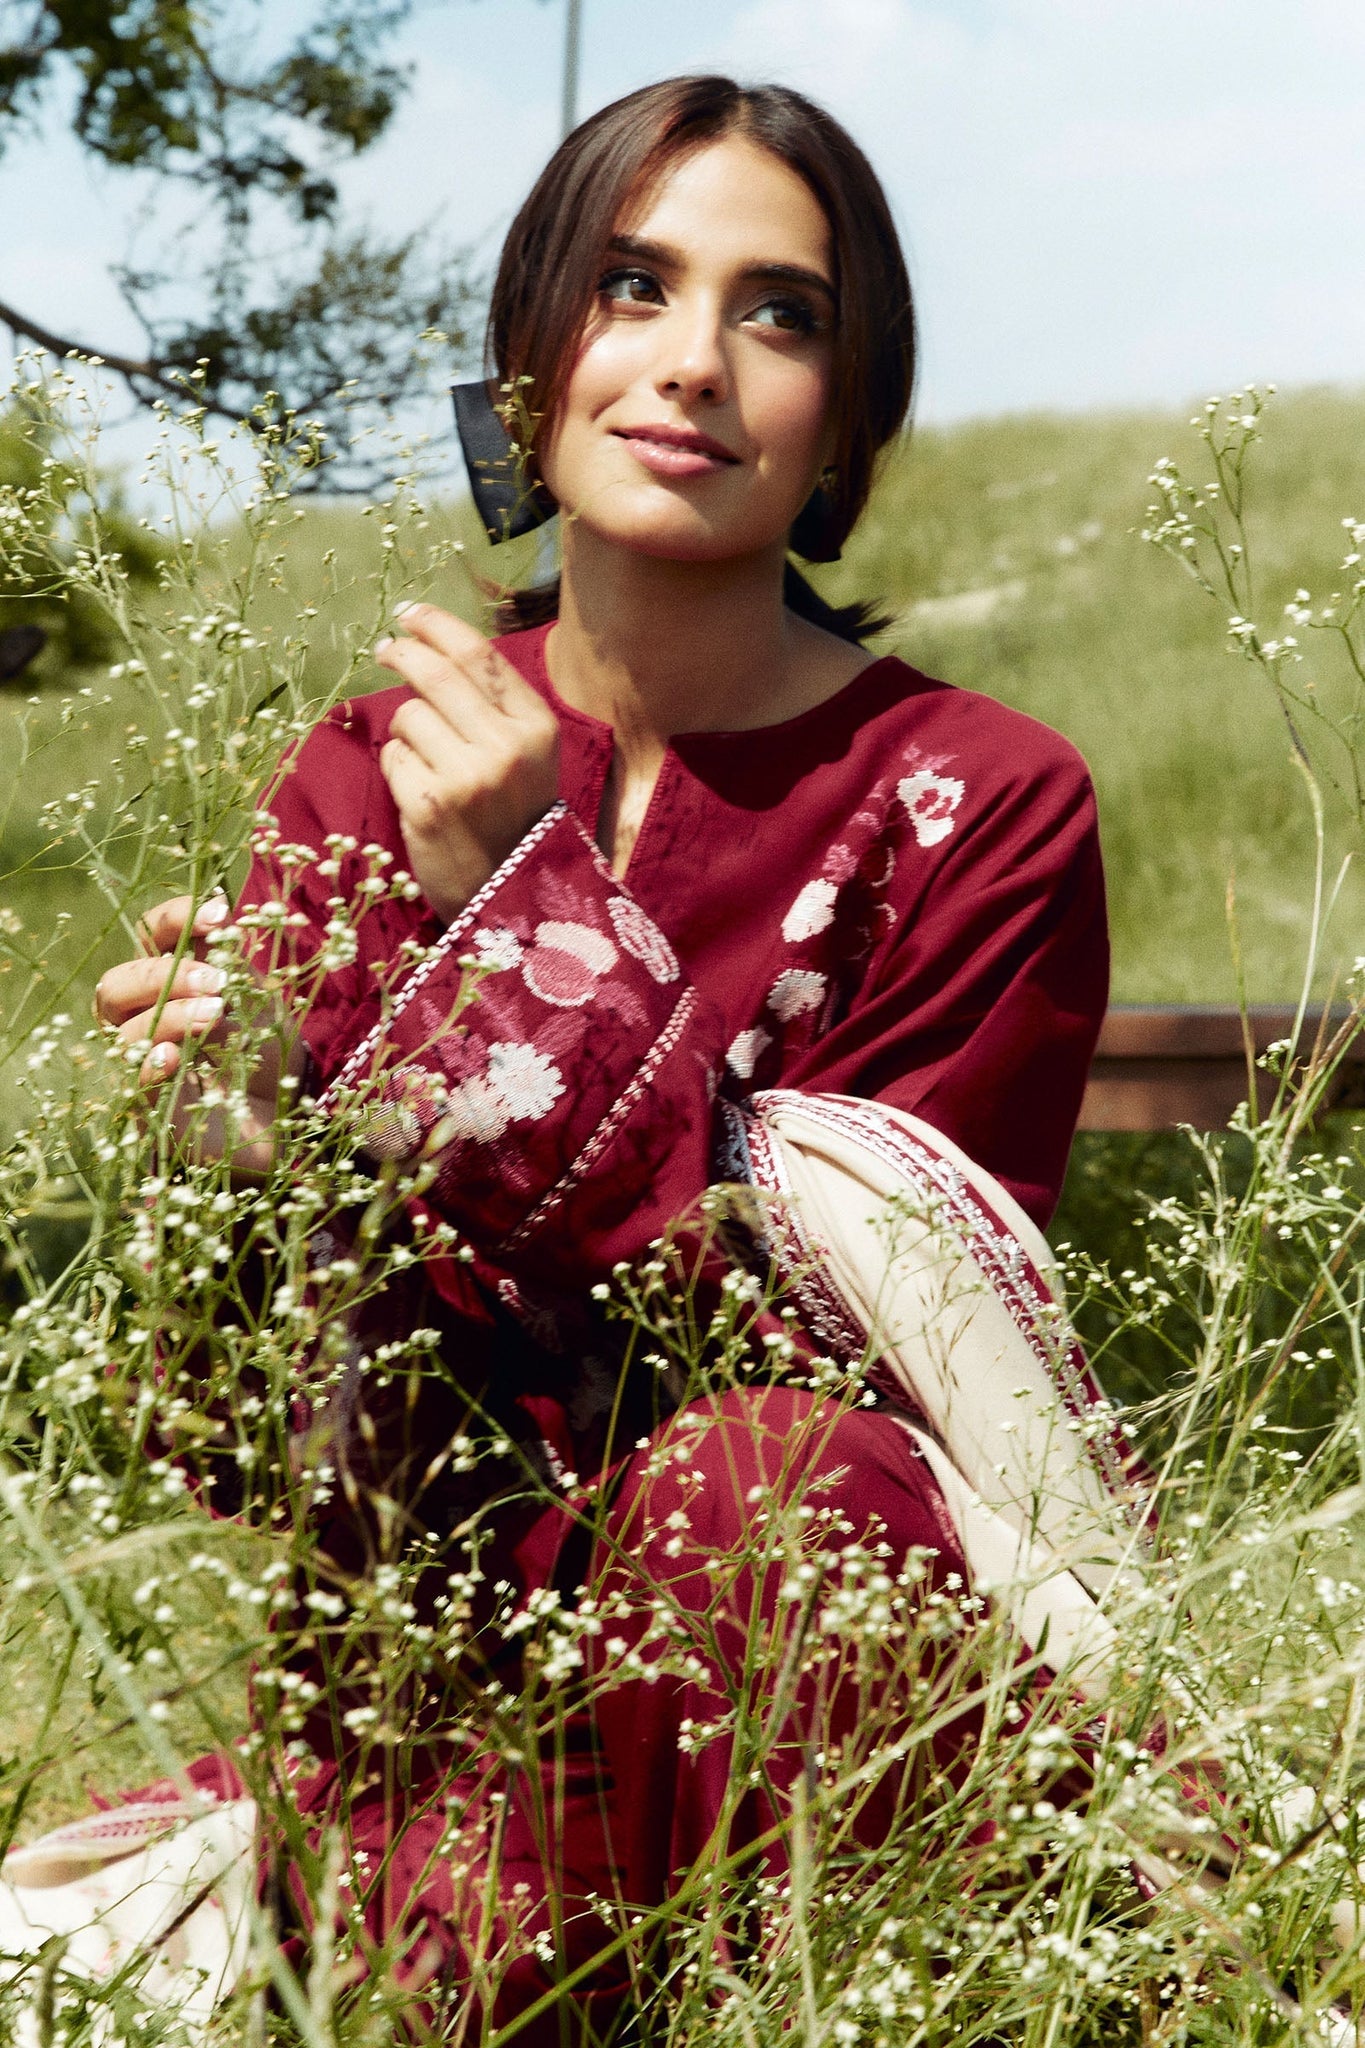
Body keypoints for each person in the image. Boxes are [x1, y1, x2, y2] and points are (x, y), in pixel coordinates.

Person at [17, 75, 1136, 2040]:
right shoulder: (366, 767)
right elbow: (269, 1470)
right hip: (450, 1710)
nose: (693, 360)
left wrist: (531, 914)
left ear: (846, 422)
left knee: (757, 1481)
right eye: (632, 285)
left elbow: (878, 1367)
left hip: (826, 1704)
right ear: (530, 364)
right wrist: (246, 1159)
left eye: (779, 312)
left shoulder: (978, 803)